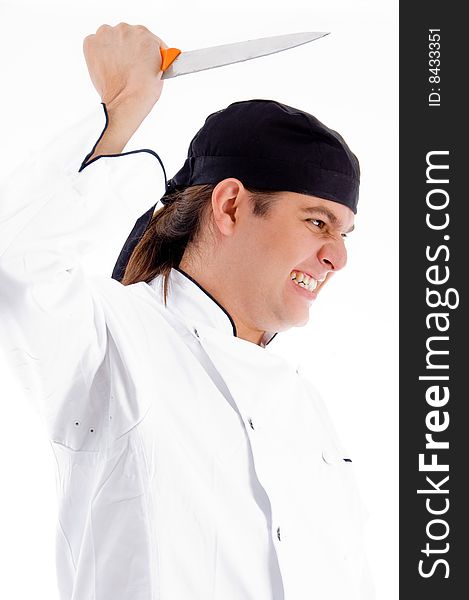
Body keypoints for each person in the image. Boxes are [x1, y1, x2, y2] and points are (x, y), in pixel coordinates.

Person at [0, 23, 373, 600]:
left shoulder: (307, 408)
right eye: (317, 221)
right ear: (229, 206)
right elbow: (17, 267)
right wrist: (122, 111)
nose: (338, 257)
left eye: (345, 233)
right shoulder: (110, 342)